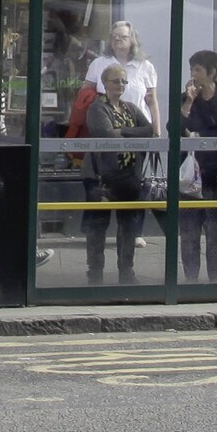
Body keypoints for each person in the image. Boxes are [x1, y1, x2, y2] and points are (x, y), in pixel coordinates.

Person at [83, 62, 153, 284]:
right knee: (98, 227)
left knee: (128, 226)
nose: (120, 85)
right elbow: (105, 134)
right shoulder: (97, 107)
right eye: (115, 81)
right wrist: (126, 134)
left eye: (123, 81)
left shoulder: (130, 107)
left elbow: (149, 129)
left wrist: (121, 130)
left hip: (129, 175)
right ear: (104, 83)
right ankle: (95, 274)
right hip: (102, 176)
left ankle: (126, 271)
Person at [178, 49, 217, 283]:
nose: (193, 75)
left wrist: (196, 133)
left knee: (215, 232)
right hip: (191, 175)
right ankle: (190, 280)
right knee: (189, 233)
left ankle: (215, 279)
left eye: (198, 70)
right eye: (191, 69)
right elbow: (174, 129)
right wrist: (188, 102)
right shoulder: (185, 98)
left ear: (212, 73)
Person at [86, 21, 161, 126]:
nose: (117, 39)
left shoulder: (145, 67)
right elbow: (86, 93)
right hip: (107, 125)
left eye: (122, 36)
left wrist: (156, 130)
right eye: (114, 36)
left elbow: (152, 101)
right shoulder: (98, 64)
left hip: (139, 127)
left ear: (132, 40)